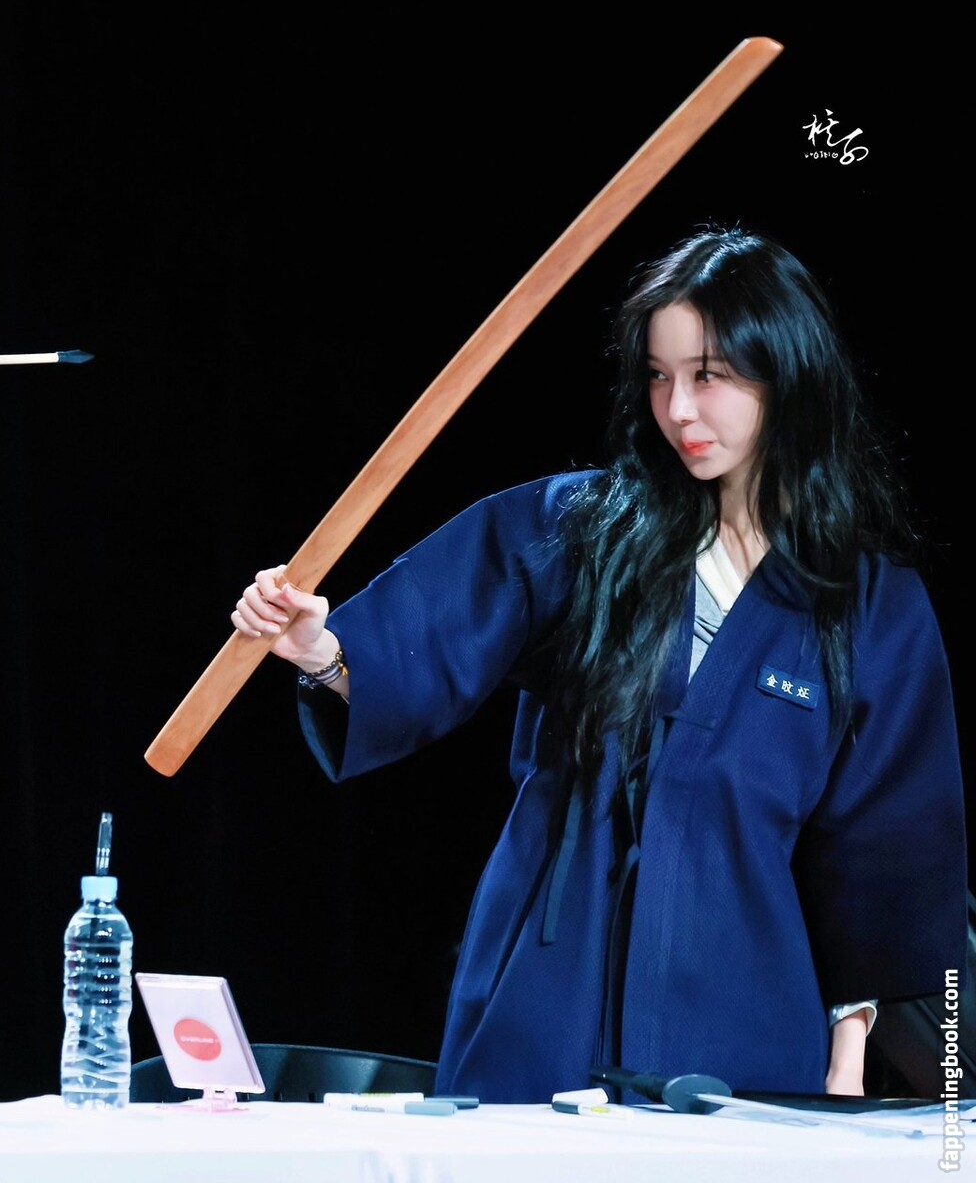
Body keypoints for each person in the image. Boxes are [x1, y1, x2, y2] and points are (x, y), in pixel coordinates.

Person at [230, 226, 965, 1104]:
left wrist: (846, 1060)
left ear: (787, 375)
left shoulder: (869, 604)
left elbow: (885, 861)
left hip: (744, 1014)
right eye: (658, 376)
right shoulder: (583, 531)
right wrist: (319, 649)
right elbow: (428, 646)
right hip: (549, 992)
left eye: (709, 375)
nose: (678, 409)